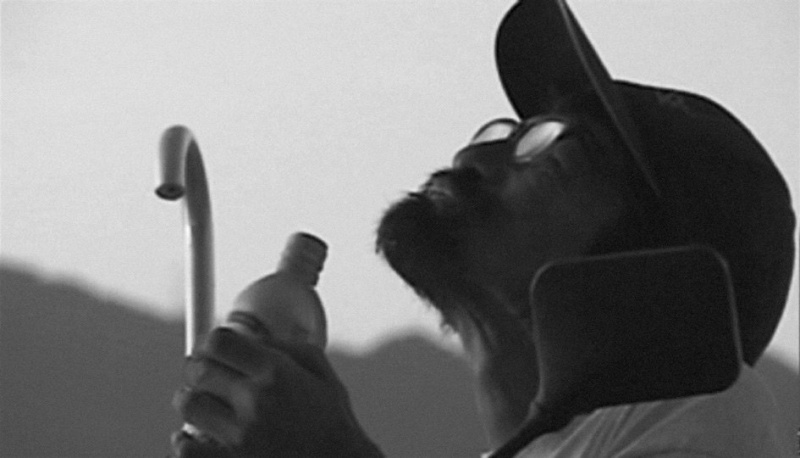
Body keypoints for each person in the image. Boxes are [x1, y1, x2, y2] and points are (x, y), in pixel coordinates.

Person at [170, 0, 795, 456]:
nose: (474, 155)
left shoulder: (710, 418)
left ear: (655, 263)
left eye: (552, 147)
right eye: (506, 130)